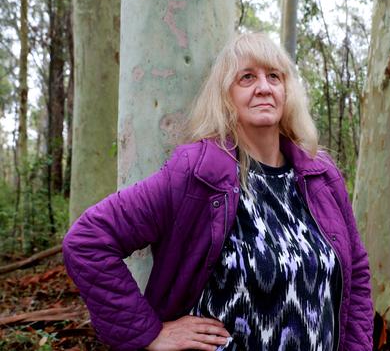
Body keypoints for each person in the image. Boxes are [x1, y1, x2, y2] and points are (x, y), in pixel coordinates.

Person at [62, 33, 373, 351]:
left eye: (274, 77)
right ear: (225, 96)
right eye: (247, 77)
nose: (263, 87)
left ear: (287, 91)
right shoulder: (198, 173)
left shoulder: (320, 174)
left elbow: (356, 271)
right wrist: (148, 333)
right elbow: (88, 241)